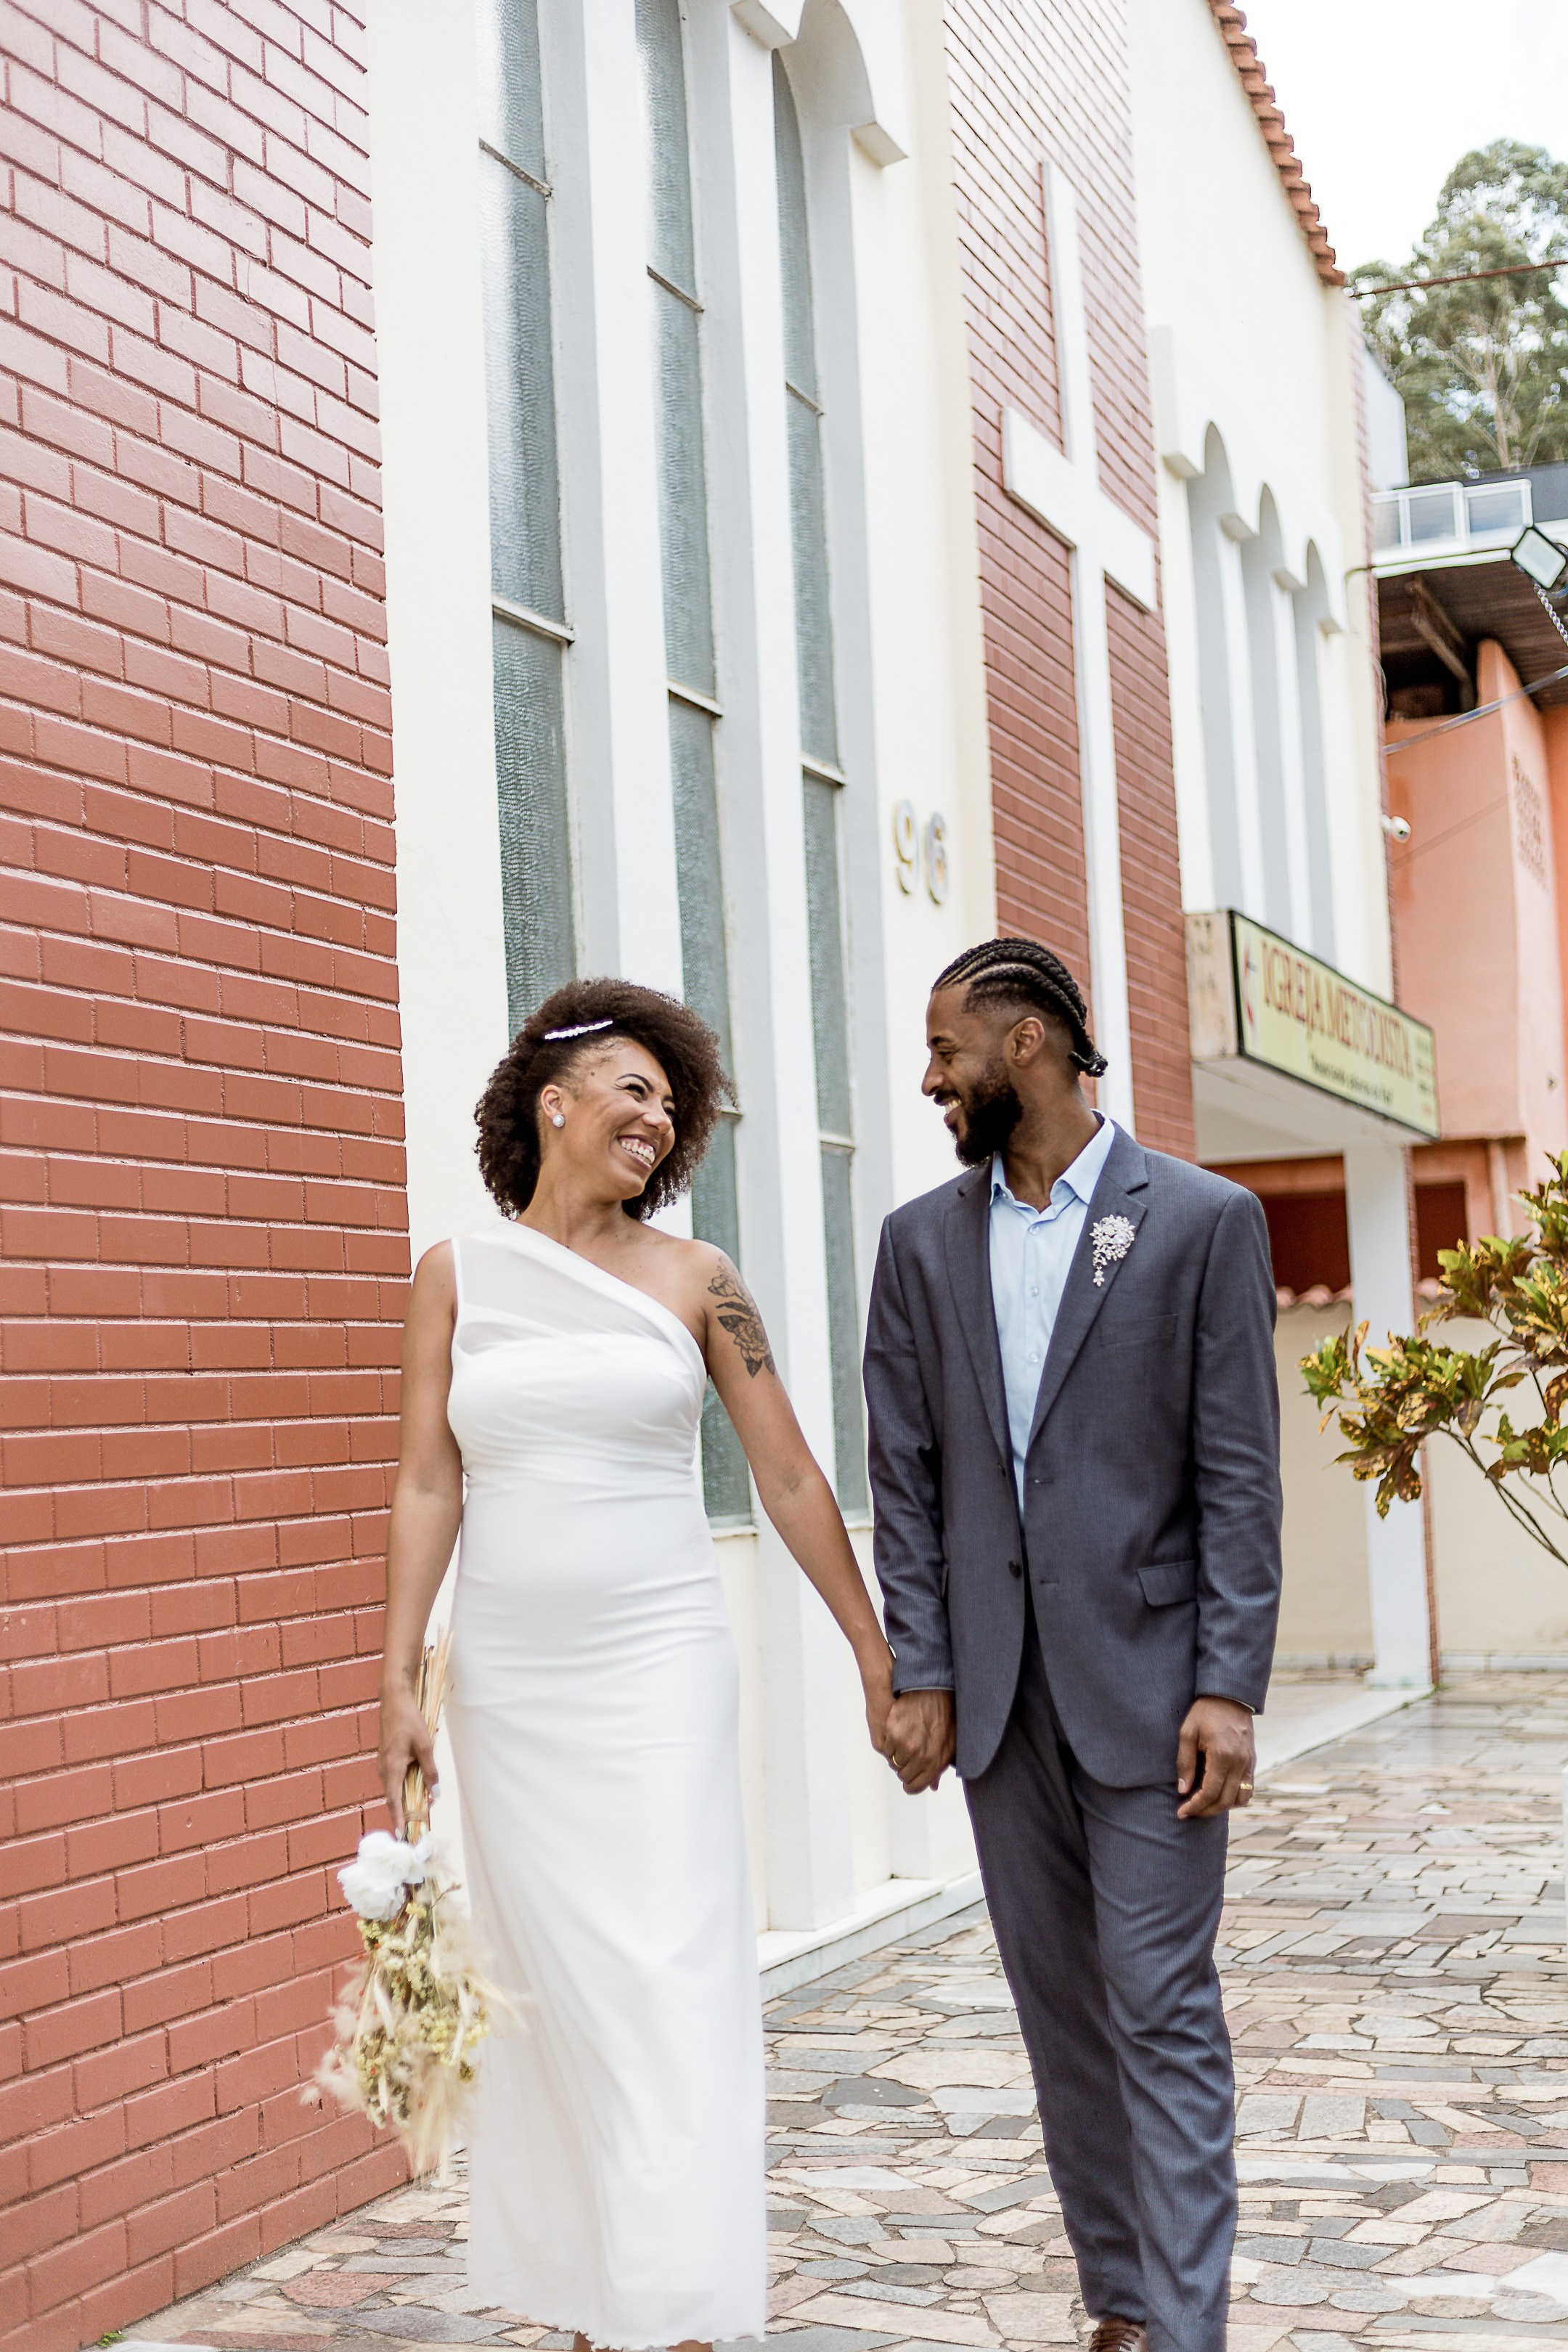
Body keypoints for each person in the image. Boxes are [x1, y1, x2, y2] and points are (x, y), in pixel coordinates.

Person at [378, 976, 894, 2352]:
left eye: (673, 1107)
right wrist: (399, 1677)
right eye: (635, 1089)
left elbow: (785, 1475)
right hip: (510, 1686)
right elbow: (430, 1486)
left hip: (659, 1668)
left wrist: (870, 1649)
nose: (659, 1121)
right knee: (563, 1993)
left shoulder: (699, 1281)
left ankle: (679, 2311)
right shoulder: (456, 1275)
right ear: (554, 1100)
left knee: (665, 1980)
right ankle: (606, 2302)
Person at [864, 937, 1283, 2352]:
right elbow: (904, 1476)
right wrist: (922, 1668)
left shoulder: (1200, 1221)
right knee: (1063, 2017)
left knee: (1160, 2003)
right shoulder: (921, 1241)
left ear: (1026, 1042)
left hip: (1156, 1692)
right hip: (999, 1706)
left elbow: (1239, 1473)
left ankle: (1186, 2325)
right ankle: (1122, 2300)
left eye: (947, 1050)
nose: (931, 1078)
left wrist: (1229, 1683)